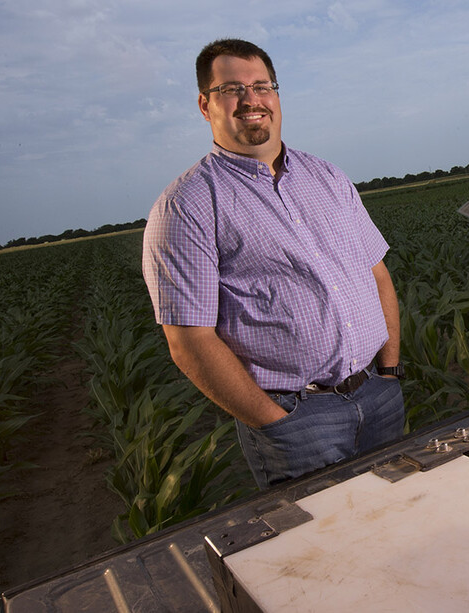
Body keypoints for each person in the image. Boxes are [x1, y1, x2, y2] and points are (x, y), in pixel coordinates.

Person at [141, 39, 405, 490]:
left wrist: (390, 373)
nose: (251, 99)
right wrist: (275, 422)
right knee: (325, 549)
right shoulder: (186, 206)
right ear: (206, 105)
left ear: (276, 95)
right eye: (231, 88)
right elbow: (189, 341)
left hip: (379, 396)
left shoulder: (328, 177)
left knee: (403, 518)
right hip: (297, 419)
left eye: (262, 86)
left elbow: (377, 275)